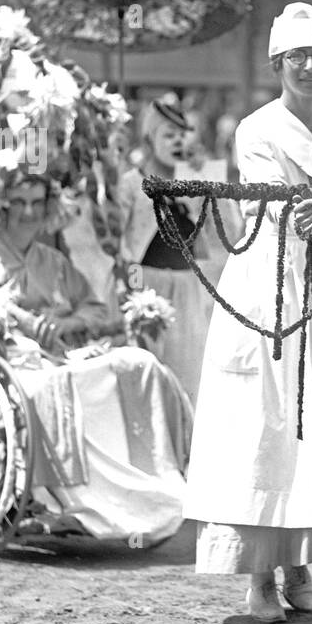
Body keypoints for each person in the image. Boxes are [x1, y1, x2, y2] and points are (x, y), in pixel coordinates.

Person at [185, 2, 312, 622]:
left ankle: (300, 561)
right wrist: (307, 210)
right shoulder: (255, 130)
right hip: (268, 287)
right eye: (297, 57)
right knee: (265, 423)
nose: (309, 67)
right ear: (278, 64)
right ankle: (260, 575)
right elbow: (267, 205)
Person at [0, 169, 188, 544]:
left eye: (37, 203)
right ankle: (67, 500)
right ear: (1, 205)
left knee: (138, 364)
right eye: (19, 202)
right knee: (49, 386)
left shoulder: (52, 260)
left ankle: (151, 487)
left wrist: (65, 323)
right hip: (5, 361)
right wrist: (19, 319)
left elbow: (96, 309)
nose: (28, 213)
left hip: (59, 354)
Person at [118, 96, 213, 405]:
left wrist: (206, 182)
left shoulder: (194, 185)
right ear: (149, 139)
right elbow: (121, 250)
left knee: (190, 376)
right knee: (148, 375)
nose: (175, 142)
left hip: (186, 291)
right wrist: (134, 293)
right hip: (147, 288)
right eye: (167, 135)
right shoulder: (131, 184)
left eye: (180, 135)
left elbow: (224, 234)